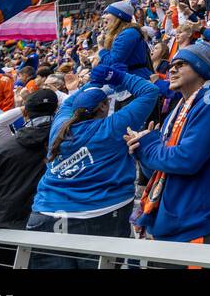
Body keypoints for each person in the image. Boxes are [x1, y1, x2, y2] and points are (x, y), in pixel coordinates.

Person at [28, 66, 160, 268]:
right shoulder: (113, 126)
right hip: (101, 214)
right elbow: (149, 91)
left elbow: (73, 102)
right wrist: (117, 77)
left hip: (47, 212)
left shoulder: (60, 122)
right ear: (103, 107)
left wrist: (95, 84)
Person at [126, 41, 210, 246]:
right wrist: (141, 151)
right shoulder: (178, 109)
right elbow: (160, 173)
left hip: (196, 224)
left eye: (182, 64)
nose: (172, 69)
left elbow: (186, 160)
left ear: (201, 68)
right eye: (171, 65)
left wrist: (149, 145)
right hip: (170, 222)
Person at [0, 89, 58, 266]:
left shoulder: (1, 149)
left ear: (26, 112)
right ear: (56, 110)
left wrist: (25, 107)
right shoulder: (64, 140)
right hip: (45, 221)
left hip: (4, 223)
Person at [96, 0, 153, 80]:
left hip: (135, 81)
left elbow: (112, 64)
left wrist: (101, 47)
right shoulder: (125, 33)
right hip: (127, 79)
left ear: (118, 16)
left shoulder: (128, 34)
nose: (103, 16)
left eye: (107, 13)